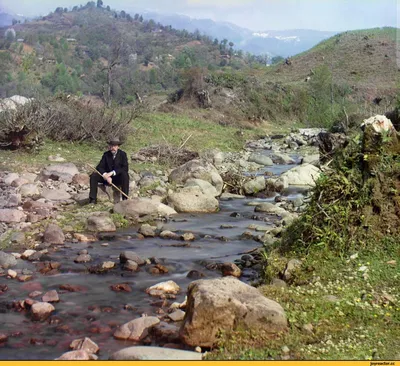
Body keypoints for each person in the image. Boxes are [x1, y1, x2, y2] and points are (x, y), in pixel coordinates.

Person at [89, 137, 129, 204]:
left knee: (125, 175)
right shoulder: (106, 155)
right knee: (94, 176)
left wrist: (112, 173)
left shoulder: (123, 154)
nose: (112, 147)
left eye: (114, 146)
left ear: (118, 147)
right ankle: (92, 200)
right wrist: (105, 175)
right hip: (106, 178)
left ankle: (125, 199)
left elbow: (125, 168)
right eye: (111, 145)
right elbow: (99, 167)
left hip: (118, 178)